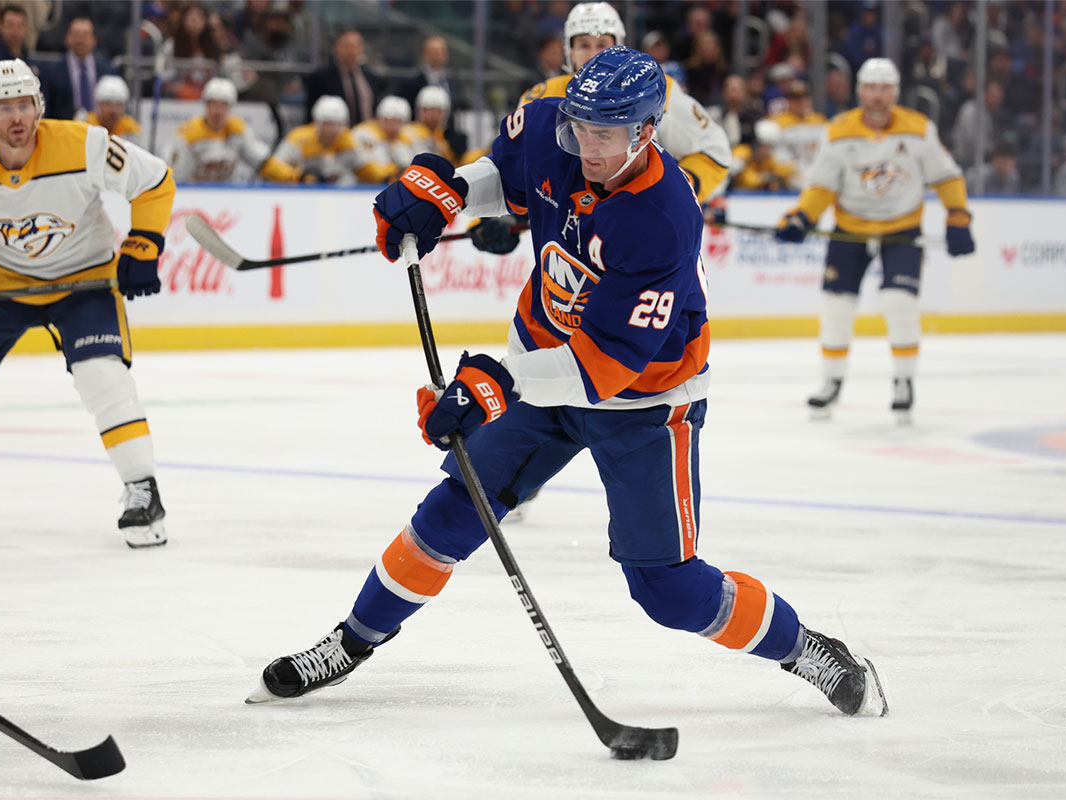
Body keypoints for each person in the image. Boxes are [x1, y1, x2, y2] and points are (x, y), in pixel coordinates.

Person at [247, 47, 888, 724]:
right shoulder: (560, 127)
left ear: (647, 132)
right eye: (580, 127)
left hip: (644, 401)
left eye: (605, 134)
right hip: (541, 361)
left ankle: (807, 649)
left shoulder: (663, 218)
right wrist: (450, 195)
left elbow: (602, 368)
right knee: (451, 512)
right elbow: (510, 172)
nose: (585, 144)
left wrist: (492, 385)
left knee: (668, 592)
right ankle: (353, 641)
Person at [0, 59, 175, 548]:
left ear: (39, 107)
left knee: (103, 377)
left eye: (24, 103)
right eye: (4, 106)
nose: (17, 117)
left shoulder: (84, 144)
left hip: (83, 282)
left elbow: (154, 181)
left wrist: (144, 243)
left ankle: (142, 490)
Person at [774, 58, 975, 423]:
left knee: (899, 304)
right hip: (849, 228)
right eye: (870, 87)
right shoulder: (838, 131)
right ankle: (831, 383)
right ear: (860, 91)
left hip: (901, 229)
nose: (877, 95)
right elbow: (821, 186)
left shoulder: (919, 130)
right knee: (837, 308)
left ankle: (903, 381)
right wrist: (801, 217)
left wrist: (958, 216)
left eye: (884, 88)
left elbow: (946, 177)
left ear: (895, 93)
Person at [515, 2, 731, 205]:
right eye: (583, 45)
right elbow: (513, 162)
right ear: (569, 51)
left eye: (602, 45)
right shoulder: (540, 98)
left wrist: (677, 193)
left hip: (635, 223)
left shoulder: (654, 89)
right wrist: (497, 216)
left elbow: (714, 151)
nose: (593, 56)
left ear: (618, 47)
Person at [166, 78, 303, 184]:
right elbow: (178, 177)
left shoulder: (237, 129)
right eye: (213, 103)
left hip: (227, 196)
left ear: (232, 107)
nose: (218, 111)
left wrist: (293, 176)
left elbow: (263, 162)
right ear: (206, 105)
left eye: (223, 105)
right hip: (195, 197)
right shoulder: (188, 133)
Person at [38, 15, 119, 121]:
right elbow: (46, 110)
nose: (80, 40)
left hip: (101, 130)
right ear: (67, 38)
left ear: (94, 40)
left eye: (85, 35)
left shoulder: (108, 70)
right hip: (64, 130)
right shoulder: (51, 71)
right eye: (76, 34)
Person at [273, 95, 360, 185]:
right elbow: (275, 167)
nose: (334, 129)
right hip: (302, 191)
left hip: (339, 192)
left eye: (339, 124)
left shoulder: (350, 141)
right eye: (328, 123)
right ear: (316, 122)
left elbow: (365, 168)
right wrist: (299, 176)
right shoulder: (299, 138)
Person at [304, 29, 381, 126]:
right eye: (347, 46)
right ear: (337, 47)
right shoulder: (322, 77)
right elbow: (312, 113)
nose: (352, 51)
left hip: (366, 135)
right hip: (335, 136)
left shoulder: (370, 76)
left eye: (356, 46)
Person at [766, 80, 827, 188]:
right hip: (791, 175)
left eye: (804, 98)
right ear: (788, 101)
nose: (801, 102)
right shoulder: (778, 122)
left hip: (816, 170)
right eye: (795, 99)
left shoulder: (820, 121)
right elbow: (775, 154)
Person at [350, 95, 414, 184]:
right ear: (380, 118)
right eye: (388, 120)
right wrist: (394, 171)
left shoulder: (409, 137)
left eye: (397, 121)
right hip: (362, 187)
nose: (392, 124)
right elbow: (369, 170)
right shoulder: (365, 133)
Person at [729, 119, 797, 191]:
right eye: (766, 146)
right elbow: (748, 182)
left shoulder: (770, 160)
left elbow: (786, 173)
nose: (769, 151)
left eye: (772, 147)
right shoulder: (741, 152)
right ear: (756, 144)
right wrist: (765, 177)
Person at [403, 86, 457, 165]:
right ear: (420, 111)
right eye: (429, 110)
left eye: (438, 111)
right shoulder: (407, 133)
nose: (433, 116)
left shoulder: (442, 141)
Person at [84, 75, 143, 146]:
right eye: (107, 104)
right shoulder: (84, 125)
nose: (113, 110)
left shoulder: (130, 129)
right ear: (98, 104)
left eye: (119, 104)